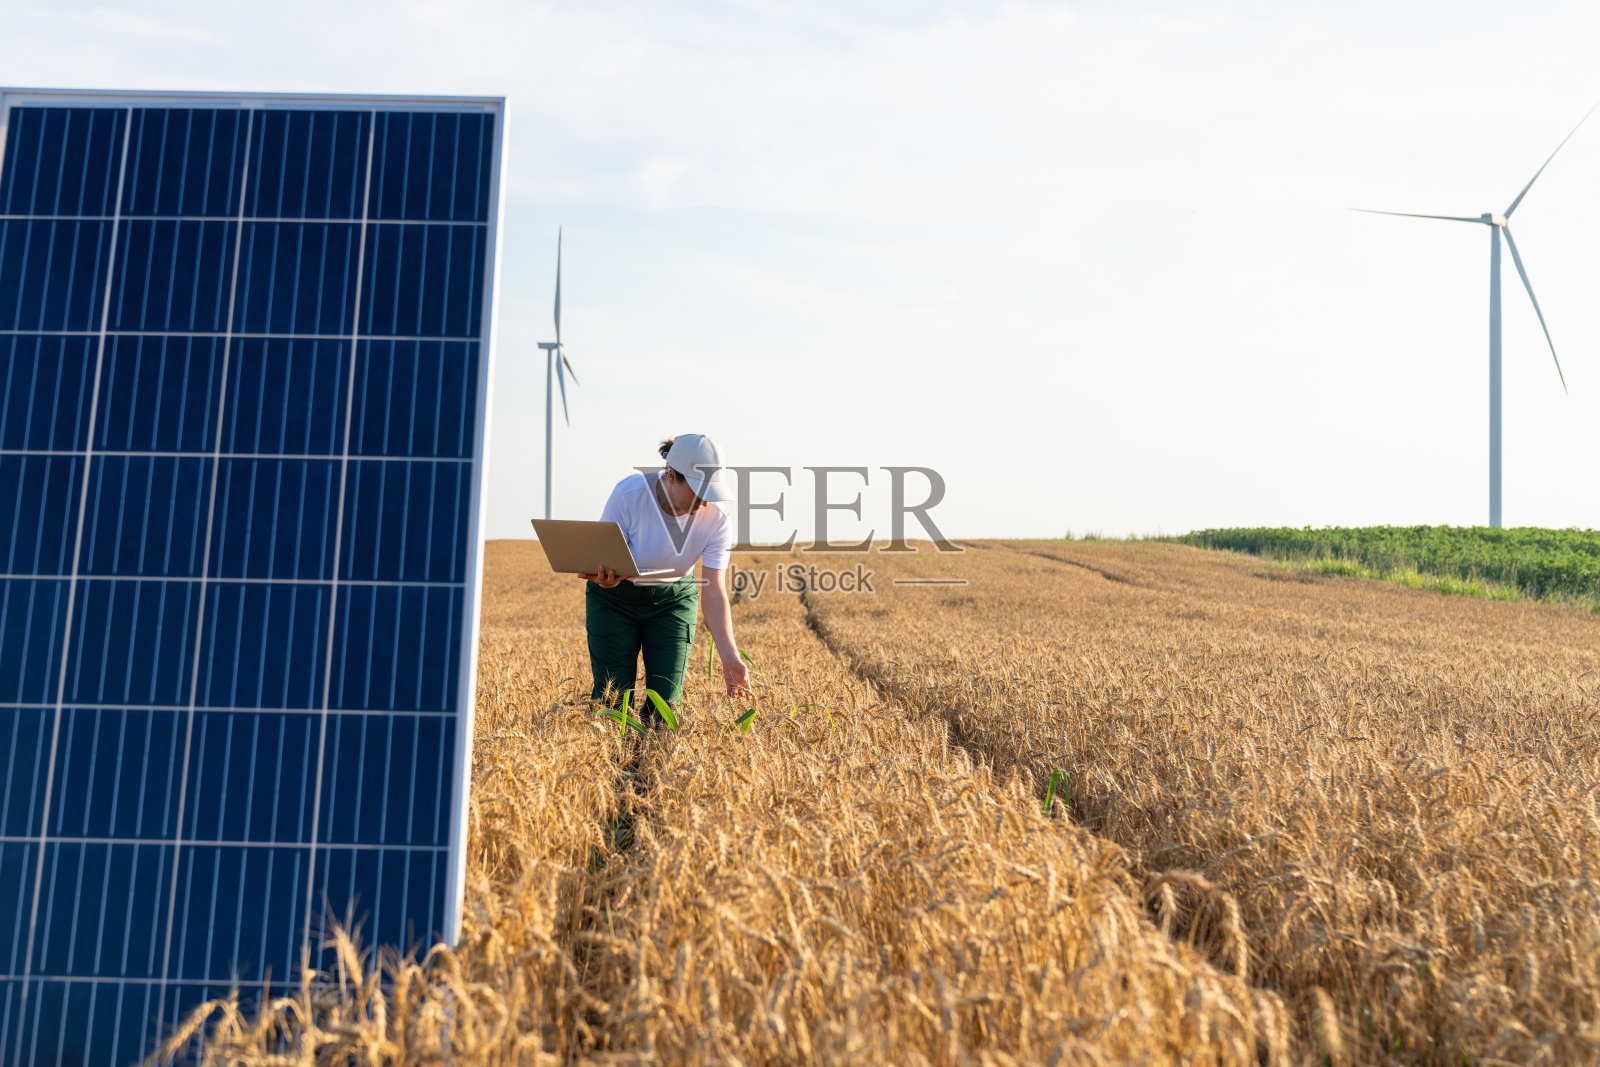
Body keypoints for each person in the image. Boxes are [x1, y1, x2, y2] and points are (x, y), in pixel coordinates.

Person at [579, 433, 753, 721]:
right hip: (614, 599)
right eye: (697, 489)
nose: (704, 500)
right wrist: (604, 577)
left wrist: (730, 657)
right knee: (611, 699)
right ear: (672, 476)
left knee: (666, 703)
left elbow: (713, 591)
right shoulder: (628, 494)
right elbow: (604, 559)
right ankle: (610, 764)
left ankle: (656, 763)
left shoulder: (718, 519)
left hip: (673, 601)